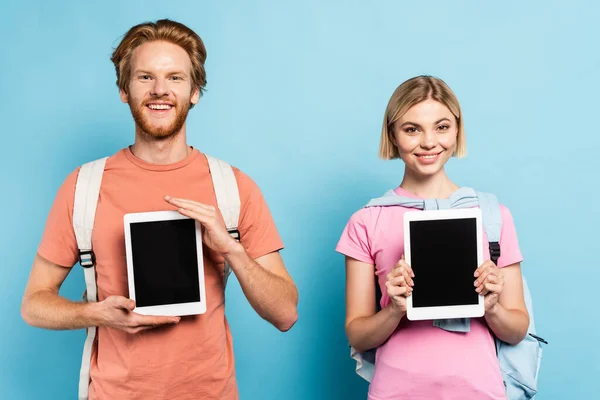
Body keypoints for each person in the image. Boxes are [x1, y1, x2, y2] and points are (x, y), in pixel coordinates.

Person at [21, 19, 298, 400]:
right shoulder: (83, 187)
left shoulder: (233, 188)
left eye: (175, 78)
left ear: (195, 91)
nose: (160, 91)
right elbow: (34, 304)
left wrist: (231, 249)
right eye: (145, 77)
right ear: (124, 90)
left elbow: (285, 314)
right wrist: (98, 314)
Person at [336, 75, 529, 399]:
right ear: (393, 134)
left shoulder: (494, 216)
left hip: (479, 392)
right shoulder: (367, 221)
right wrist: (395, 308)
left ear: (456, 130)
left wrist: (492, 307)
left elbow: (518, 329)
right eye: (412, 129)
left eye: (441, 127)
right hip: (396, 392)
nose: (428, 142)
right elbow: (358, 334)